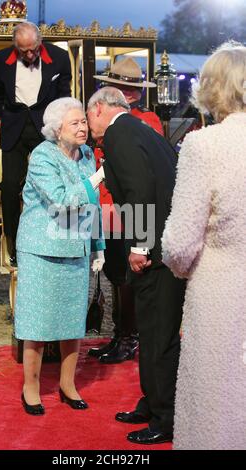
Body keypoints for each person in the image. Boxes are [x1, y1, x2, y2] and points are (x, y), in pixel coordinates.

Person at [87, 87, 185, 444]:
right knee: (152, 330)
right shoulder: (142, 130)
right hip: (166, 247)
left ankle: (165, 418)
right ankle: (152, 402)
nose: (88, 125)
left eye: (87, 116)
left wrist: (140, 246)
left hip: (155, 253)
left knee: (159, 335)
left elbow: (140, 189)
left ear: (99, 109)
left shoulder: (119, 134)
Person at [162, 42, 246, 450]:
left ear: (212, 88)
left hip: (219, 295)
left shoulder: (203, 146)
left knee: (214, 411)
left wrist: (178, 267)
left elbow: (179, 245)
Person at [14, 97, 105, 415]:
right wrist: (96, 179)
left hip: (75, 249)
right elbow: (63, 201)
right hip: (41, 249)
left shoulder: (88, 155)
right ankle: (32, 388)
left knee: (71, 323)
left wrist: (98, 246)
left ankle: (68, 385)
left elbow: (90, 207)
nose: (83, 128)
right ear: (57, 129)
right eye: (75, 123)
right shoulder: (42, 156)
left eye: (84, 121)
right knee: (37, 325)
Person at [88, 57, 164, 364]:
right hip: (107, 204)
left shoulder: (145, 121)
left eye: (131, 89)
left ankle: (130, 337)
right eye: (123, 88)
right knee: (115, 274)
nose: (128, 94)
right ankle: (121, 334)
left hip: (130, 207)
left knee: (128, 276)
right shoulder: (115, 120)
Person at [0, 22, 72, 265]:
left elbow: (65, 97)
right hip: (15, 128)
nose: (30, 55)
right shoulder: (1, 59)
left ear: (40, 42)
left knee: (51, 186)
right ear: (15, 46)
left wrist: (67, 128)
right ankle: (13, 242)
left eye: (33, 49)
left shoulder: (60, 58)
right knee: (10, 187)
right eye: (24, 51)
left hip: (46, 128)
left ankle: (54, 238)